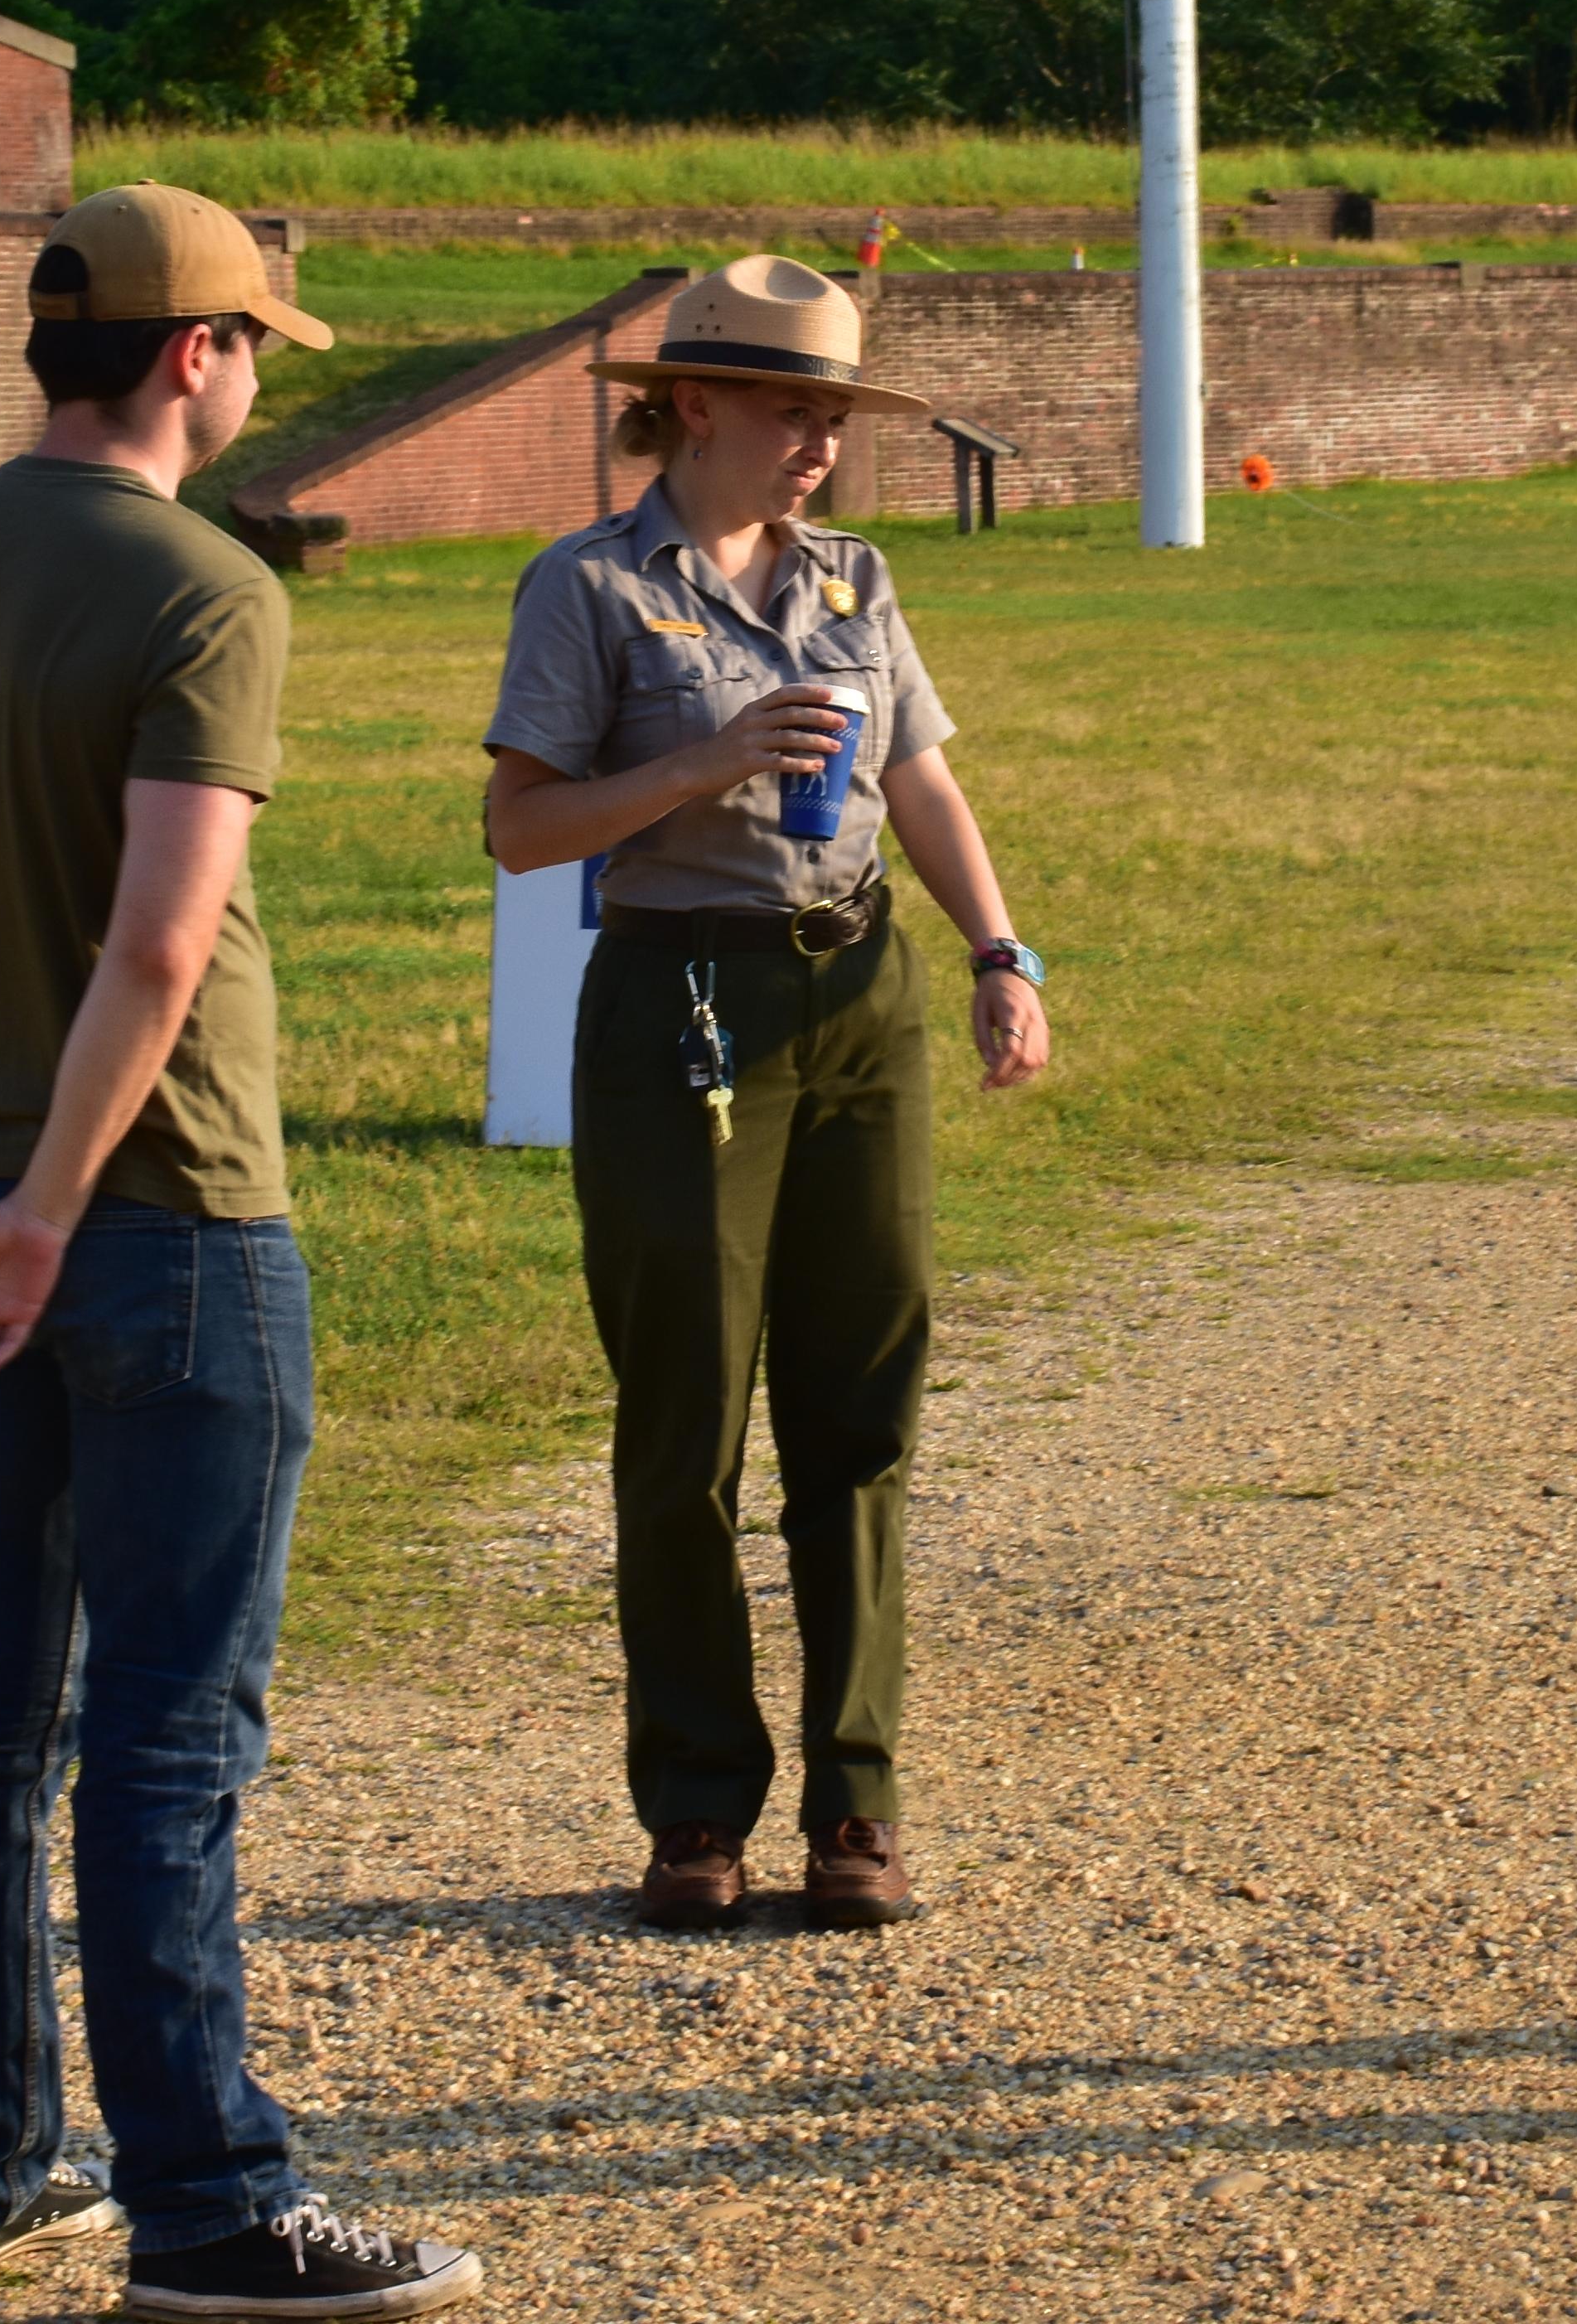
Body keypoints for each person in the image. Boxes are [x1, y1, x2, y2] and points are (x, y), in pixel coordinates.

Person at [0, 182, 484, 2317]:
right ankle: (207, 2199)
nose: (261, 369)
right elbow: (160, 941)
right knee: (174, 1724)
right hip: (163, 1212)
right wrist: (62, 1212)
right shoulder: (205, 586)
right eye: (256, 339)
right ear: (191, 353)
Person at [479, 255, 1052, 1934]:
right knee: (685, 1417)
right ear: (699, 401)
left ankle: (857, 1800)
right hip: (682, 1000)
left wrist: (1001, 949)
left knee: (862, 1405)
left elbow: (917, 774)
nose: (819, 442)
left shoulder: (855, 579)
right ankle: (696, 1806)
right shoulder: (588, 587)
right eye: (797, 409)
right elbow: (523, 829)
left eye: (834, 413)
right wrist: (705, 760)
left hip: (857, 990)